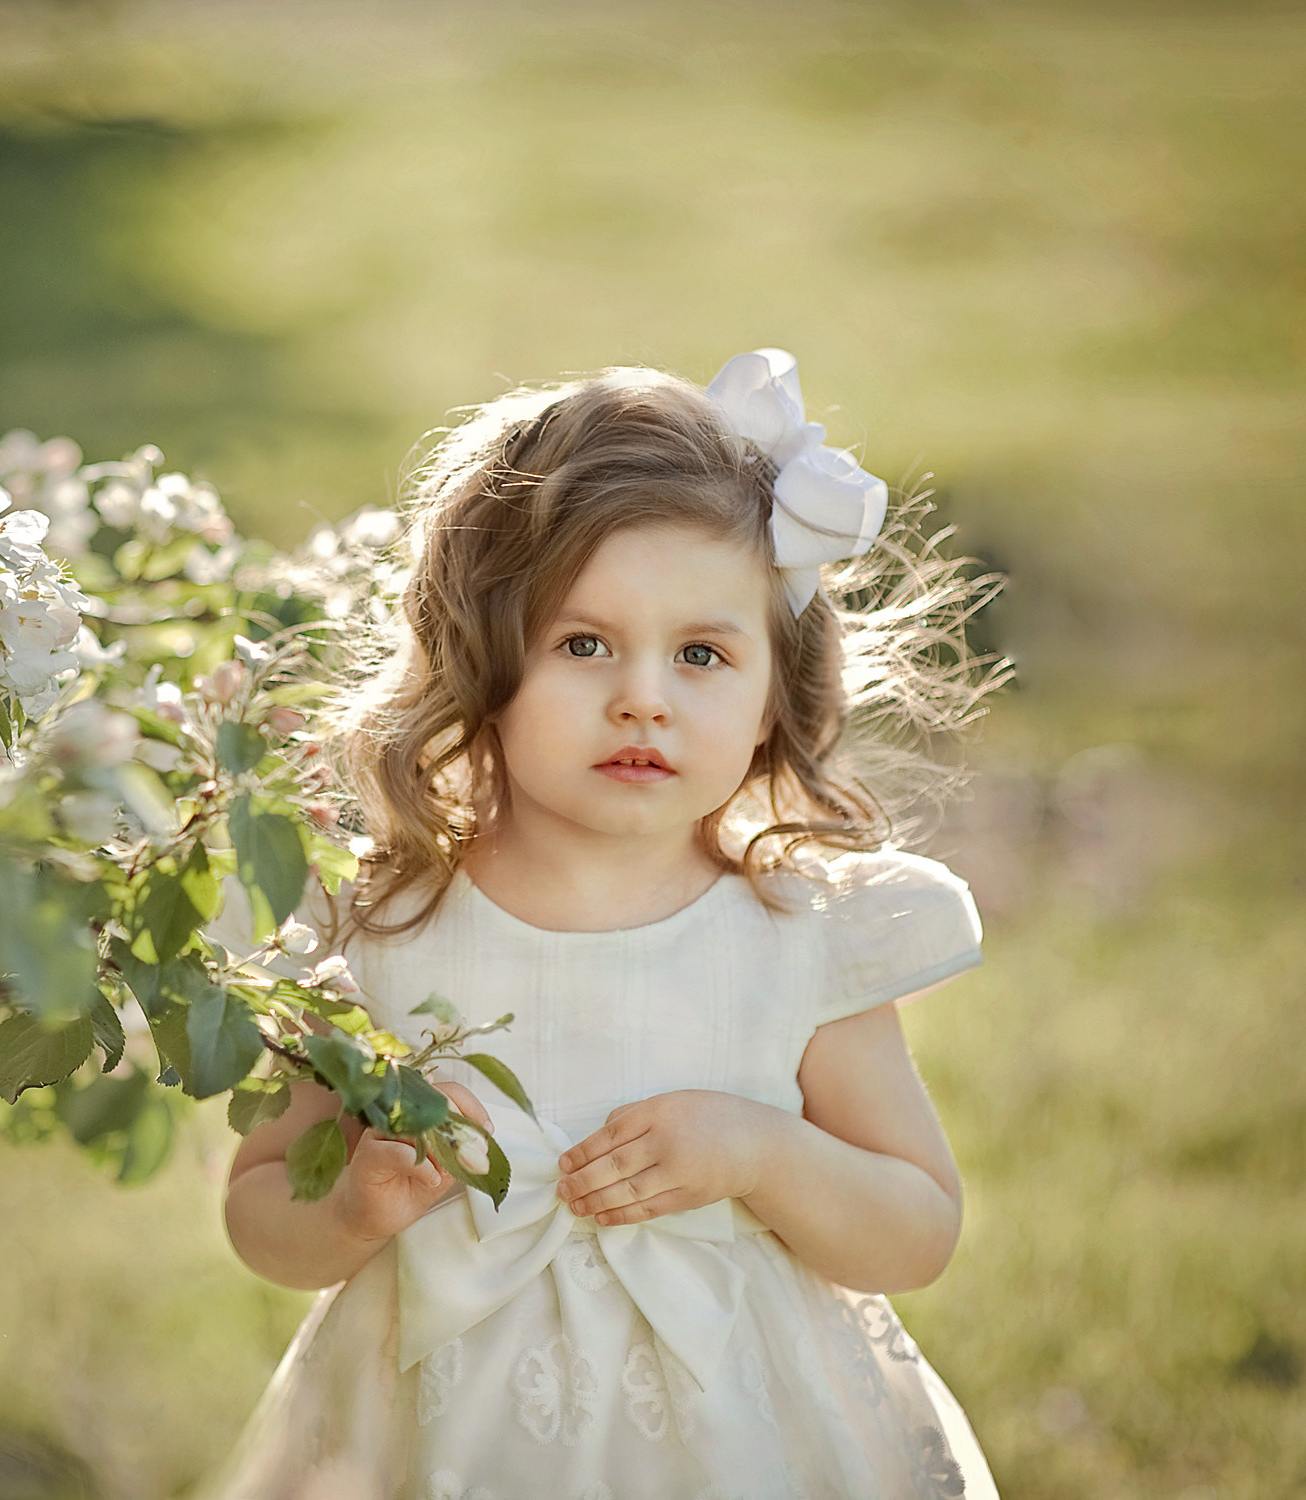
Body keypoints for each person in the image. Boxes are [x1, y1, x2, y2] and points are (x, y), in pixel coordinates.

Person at [205, 350, 1004, 1500]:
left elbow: (915, 1229)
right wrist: (347, 1208)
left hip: (744, 1442)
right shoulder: (379, 924)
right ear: (482, 663)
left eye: (701, 653)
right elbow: (257, 1204)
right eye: (583, 645)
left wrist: (760, 1152)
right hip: (435, 1441)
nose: (643, 695)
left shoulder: (798, 933)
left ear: (772, 690)